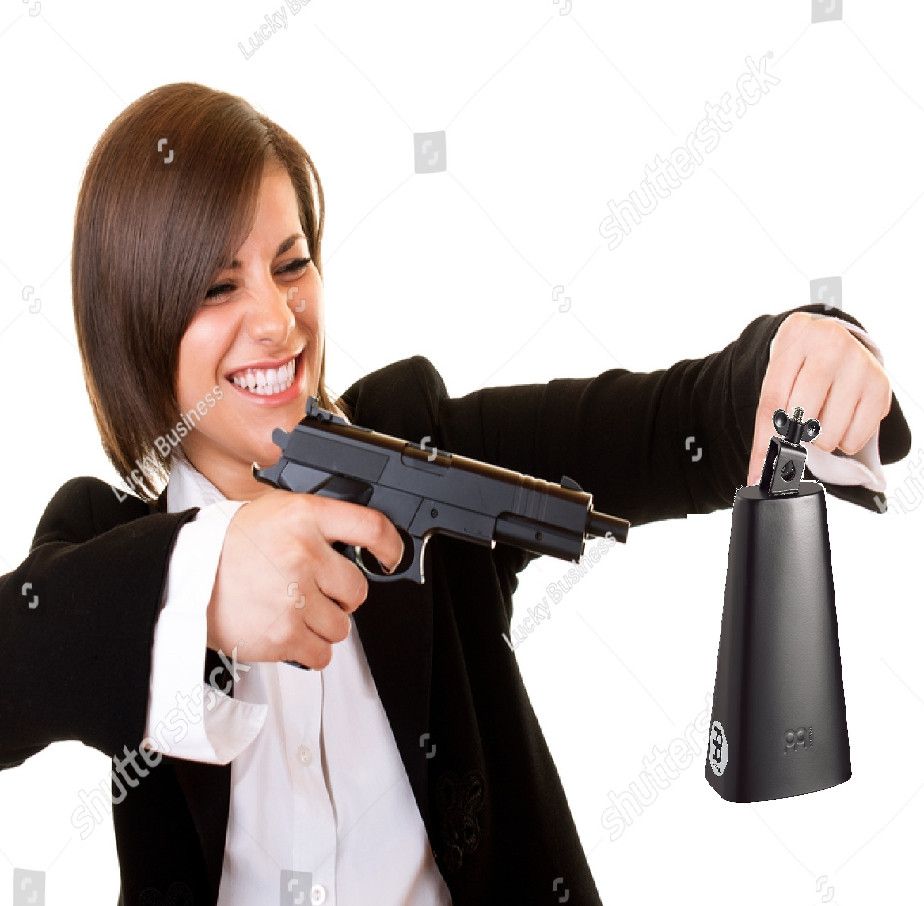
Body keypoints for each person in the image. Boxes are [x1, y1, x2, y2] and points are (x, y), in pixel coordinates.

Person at [0, 82, 911, 906]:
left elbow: (677, 422)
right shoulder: (99, 545)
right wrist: (198, 578)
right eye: (215, 286)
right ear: (133, 326)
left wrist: (807, 357)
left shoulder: (422, 441)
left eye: (291, 264)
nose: (278, 321)